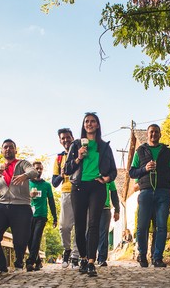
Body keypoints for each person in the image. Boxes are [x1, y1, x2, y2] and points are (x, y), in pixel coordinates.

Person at [64, 112, 117, 277]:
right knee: (80, 226)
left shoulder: (104, 146)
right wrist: (78, 157)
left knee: (94, 224)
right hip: (78, 187)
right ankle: (83, 258)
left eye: (93, 121)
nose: (89, 124)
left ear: (98, 125)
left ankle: (92, 262)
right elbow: (67, 170)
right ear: (83, 125)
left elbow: (113, 171)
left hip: (97, 187)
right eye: (87, 121)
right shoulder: (76, 145)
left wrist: (107, 178)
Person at [129, 124, 170, 267]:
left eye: (156, 132)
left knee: (161, 226)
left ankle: (157, 257)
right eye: (151, 132)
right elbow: (132, 172)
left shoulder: (167, 152)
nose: (154, 134)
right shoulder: (140, 151)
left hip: (163, 192)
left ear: (160, 134)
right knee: (142, 226)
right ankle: (142, 255)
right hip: (145, 192)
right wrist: (144, 169)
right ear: (147, 134)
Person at [0, 139, 38, 275]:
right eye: (5, 147)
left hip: (21, 206)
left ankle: (19, 263)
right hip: (2, 205)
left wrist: (24, 175)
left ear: (15, 150)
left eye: (11, 147)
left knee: (20, 239)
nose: (8, 149)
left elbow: (33, 172)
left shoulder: (22, 164)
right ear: (2, 151)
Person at [51, 128, 79, 269]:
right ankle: (67, 249)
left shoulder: (80, 152)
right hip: (66, 192)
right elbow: (54, 183)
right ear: (60, 140)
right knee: (64, 226)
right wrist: (61, 176)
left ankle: (75, 256)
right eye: (63, 138)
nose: (66, 140)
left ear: (72, 137)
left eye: (68, 137)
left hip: (80, 191)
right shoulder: (59, 158)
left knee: (80, 226)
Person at [25, 161, 57, 271]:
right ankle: (38, 261)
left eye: (41, 169)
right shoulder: (27, 183)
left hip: (41, 216)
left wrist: (55, 217)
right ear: (32, 170)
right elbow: (21, 198)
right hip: (29, 215)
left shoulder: (46, 185)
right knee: (29, 239)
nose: (39, 171)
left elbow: (51, 202)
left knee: (36, 238)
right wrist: (29, 196)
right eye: (37, 168)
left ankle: (30, 262)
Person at [96, 179, 120, 266]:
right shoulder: (90, 173)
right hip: (91, 208)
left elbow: (114, 194)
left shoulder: (109, 178)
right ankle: (89, 257)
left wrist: (117, 210)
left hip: (105, 209)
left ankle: (102, 258)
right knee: (91, 232)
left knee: (103, 233)